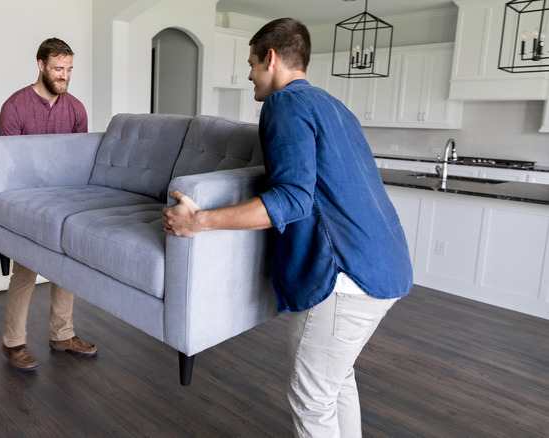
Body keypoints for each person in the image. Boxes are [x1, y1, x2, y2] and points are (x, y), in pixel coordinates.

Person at [162, 18, 412, 437]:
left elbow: (293, 200)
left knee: (311, 398)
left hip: (346, 274)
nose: (248, 74)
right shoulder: (335, 106)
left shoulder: (284, 104)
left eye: (252, 63)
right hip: (387, 264)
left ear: (271, 58)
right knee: (334, 382)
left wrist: (199, 222)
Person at [0, 37, 96, 373]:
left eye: (69, 70)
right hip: (27, 203)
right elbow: (5, 167)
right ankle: (14, 342)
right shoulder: (15, 107)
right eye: (58, 69)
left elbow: (80, 164)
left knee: (67, 268)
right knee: (25, 272)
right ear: (41, 66)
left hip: (65, 203)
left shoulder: (76, 109)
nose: (64, 75)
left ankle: (62, 335)